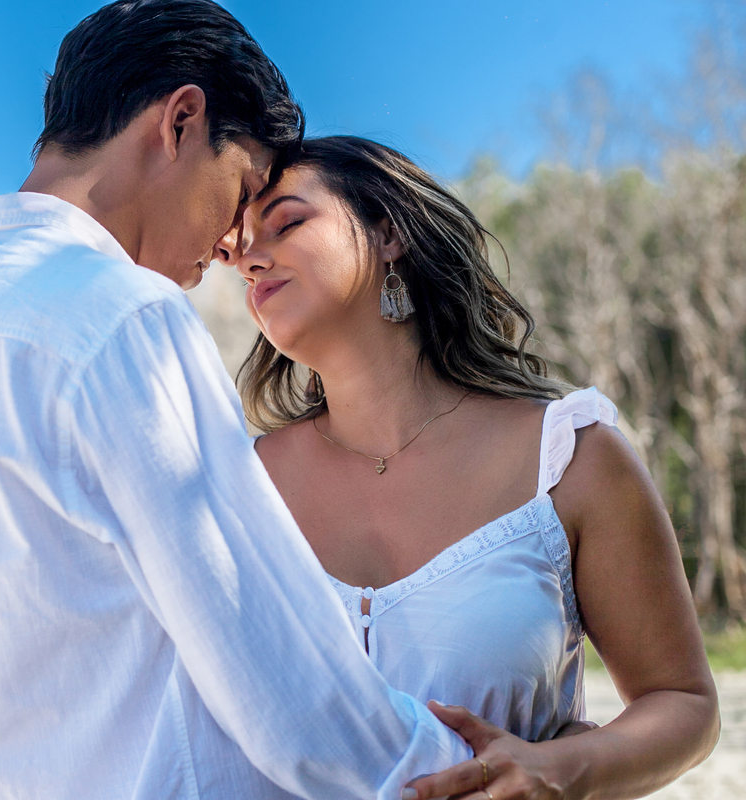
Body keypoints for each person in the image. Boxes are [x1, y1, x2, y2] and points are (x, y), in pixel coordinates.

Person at [0, 2, 484, 798]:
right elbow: (283, 684)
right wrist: (470, 777)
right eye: (240, 190)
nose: (233, 245)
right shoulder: (120, 312)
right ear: (180, 121)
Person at [226, 135, 721, 800]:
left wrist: (563, 769)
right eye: (237, 252)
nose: (252, 261)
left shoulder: (571, 457)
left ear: (390, 233)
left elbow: (684, 703)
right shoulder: (236, 482)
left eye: (287, 223)